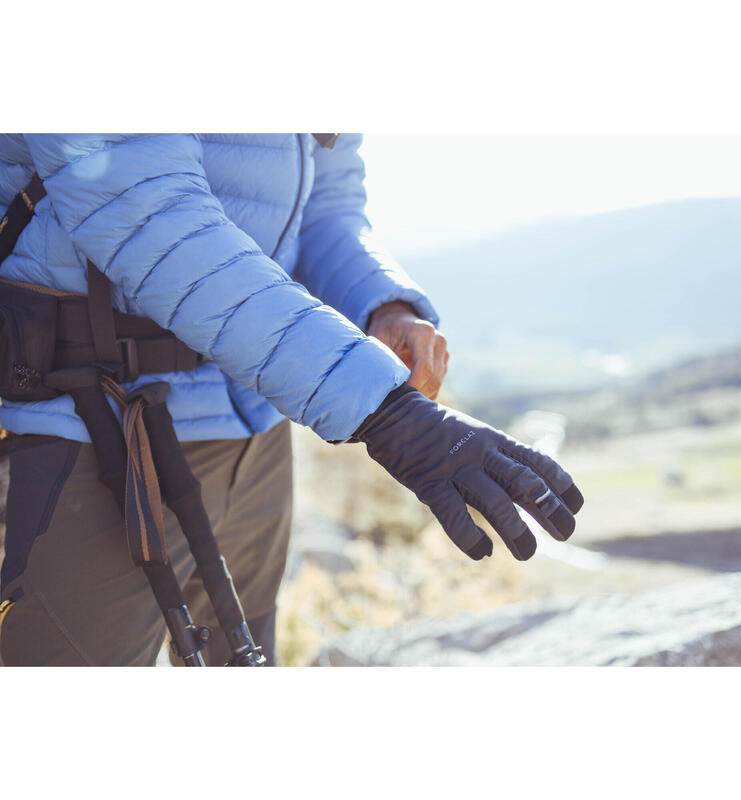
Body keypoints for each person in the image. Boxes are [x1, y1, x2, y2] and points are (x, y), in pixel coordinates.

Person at [0, 133, 582, 666]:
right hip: (82, 428)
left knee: (244, 665)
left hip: (251, 425)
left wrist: (381, 305)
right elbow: (147, 211)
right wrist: (380, 407)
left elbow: (323, 206)